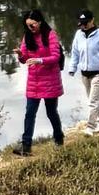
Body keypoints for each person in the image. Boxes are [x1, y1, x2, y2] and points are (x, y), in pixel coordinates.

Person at [18, 10, 65, 154]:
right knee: (29, 113)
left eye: (32, 25)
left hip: (50, 80)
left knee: (51, 112)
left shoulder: (50, 35)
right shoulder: (27, 37)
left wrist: (40, 60)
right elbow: (25, 58)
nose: (30, 28)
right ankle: (26, 145)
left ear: (39, 22)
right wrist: (20, 55)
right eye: (28, 26)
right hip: (34, 81)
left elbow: (56, 57)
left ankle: (58, 138)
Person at [68, 10, 99, 134]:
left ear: (92, 20)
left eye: (86, 23)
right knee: (93, 99)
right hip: (84, 73)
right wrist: (72, 68)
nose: (83, 26)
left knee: (92, 101)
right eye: (81, 23)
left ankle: (90, 127)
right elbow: (75, 53)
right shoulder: (78, 34)